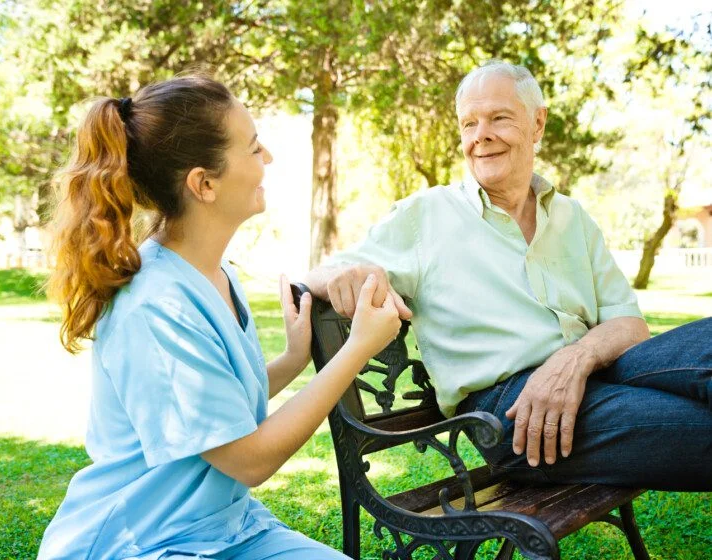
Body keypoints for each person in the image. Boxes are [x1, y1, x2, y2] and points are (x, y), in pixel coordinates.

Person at [39, 74, 401, 560]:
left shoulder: (214, 274)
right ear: (204, 184)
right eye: (253, 148)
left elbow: (214, 411)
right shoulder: (155, 305)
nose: (267, 158)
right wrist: (358, 349)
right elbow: (248, 459)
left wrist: (293, 359)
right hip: (144, 542)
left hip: (226, 530)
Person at [304, 61, 712, 491]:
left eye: (499, 118)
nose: (481, 135)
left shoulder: (573, 217)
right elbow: (320, 274)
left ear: (537, 124)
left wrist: (574, 359)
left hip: (595, 369)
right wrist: (354, 271)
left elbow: (629, 324)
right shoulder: (425, 215)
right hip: (515, 413)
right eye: (469, 124)